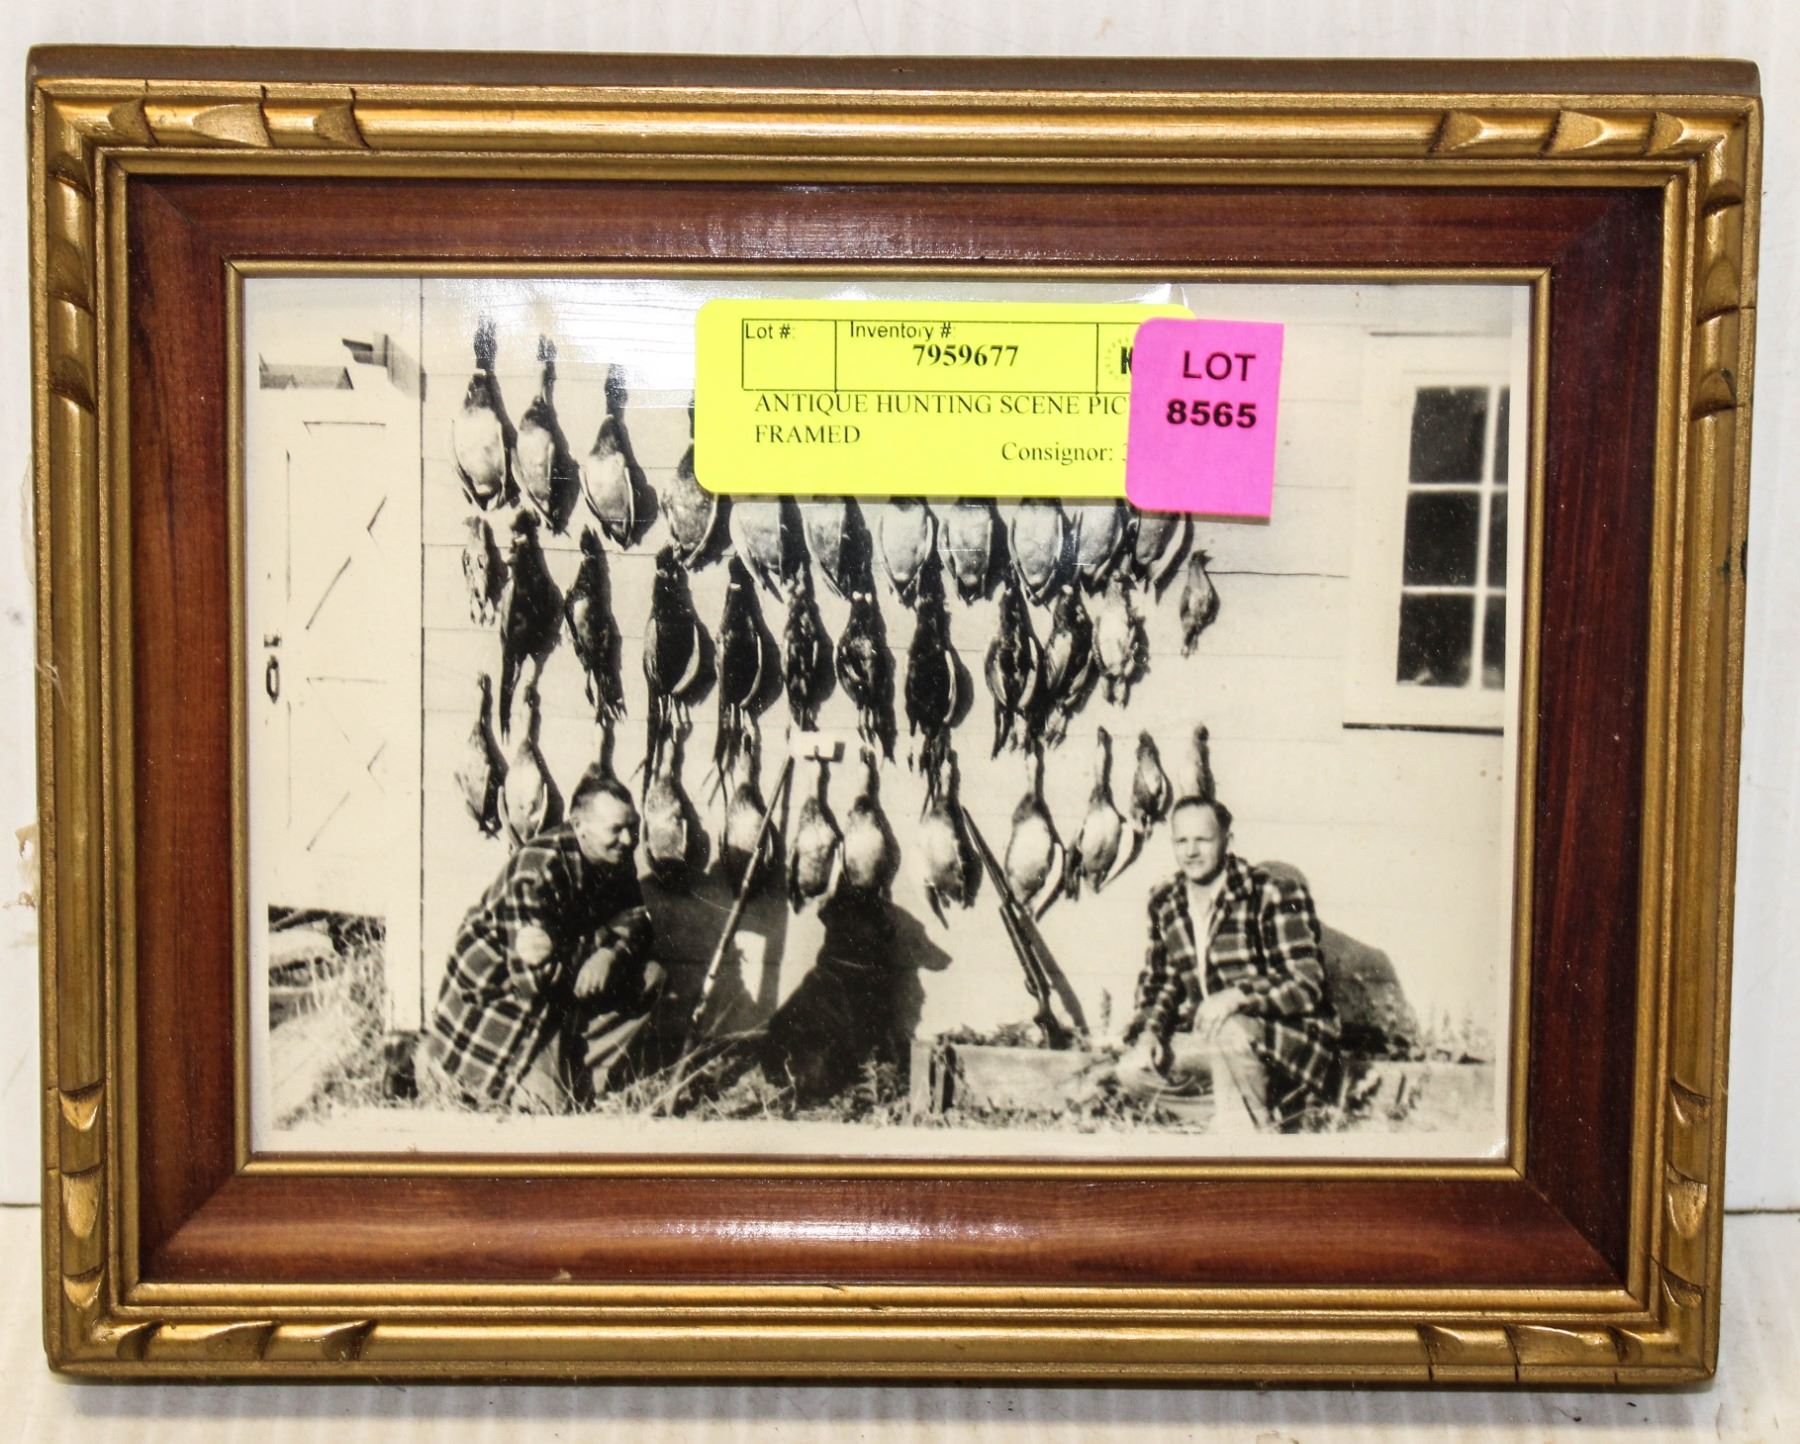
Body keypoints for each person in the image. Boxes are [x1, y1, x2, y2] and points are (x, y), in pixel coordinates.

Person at [417, 773, 661, 1111]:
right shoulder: (536, 872)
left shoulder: (615, 857)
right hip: (504, 1003)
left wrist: (608, 954)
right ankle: (446, 1069)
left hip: (558, 994)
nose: (628, 839)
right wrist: (598, 946)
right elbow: (533, 981)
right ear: (579, 825)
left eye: (632, 826)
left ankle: (581, 1077)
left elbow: (638, 921)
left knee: (650, 977)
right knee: (548, 1112)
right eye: (616, 829)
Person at [1115, 796, 1341, 1129]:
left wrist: (1237, 996)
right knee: (1132, 1071)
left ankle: (1241, 1128)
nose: (1191, 852)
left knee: (1230, 1031)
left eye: (1203, 840)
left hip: (1278, 1040)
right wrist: (1149, 1034)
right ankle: (1253, 1115)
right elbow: (1162, 982)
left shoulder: (1271, 892)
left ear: (1227, 840)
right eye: (1181, 841)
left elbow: (1305, 983)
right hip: (1213, 1042)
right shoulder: (1166, 901)